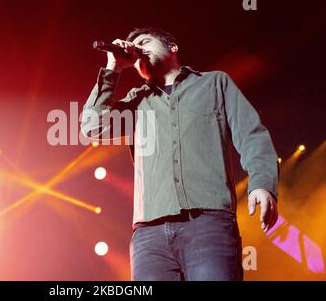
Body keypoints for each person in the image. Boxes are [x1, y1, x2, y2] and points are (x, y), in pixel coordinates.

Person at [80, 28, 279, 281]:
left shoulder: (215, 83)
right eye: (133, 47)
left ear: (172, 47)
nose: (137, 49)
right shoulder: (137, 100)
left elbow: (251, 134)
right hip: (148, 235)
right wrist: (114, 68)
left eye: (144, 42)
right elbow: (92, 126)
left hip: (208, 223)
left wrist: (262, 183)